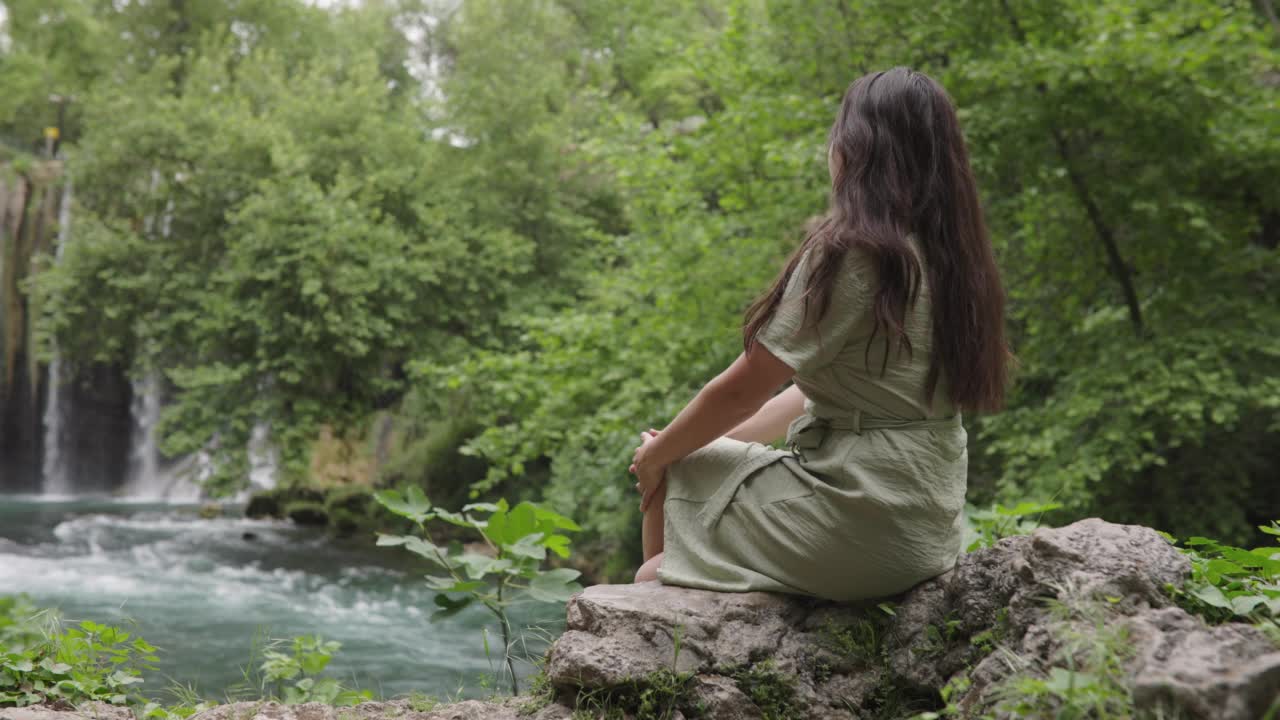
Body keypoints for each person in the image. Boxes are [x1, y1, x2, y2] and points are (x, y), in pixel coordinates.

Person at [628, 67, 1010, 602]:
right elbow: (810, 390)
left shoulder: (856, 250)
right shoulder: (952, 254)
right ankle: (675, 580)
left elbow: (746, 386)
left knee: (660, 526)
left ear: (856, 148)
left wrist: (657, 456)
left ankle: (655, 614)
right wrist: (691, 446)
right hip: (924, 518)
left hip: (858, 510)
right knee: (684, 458)